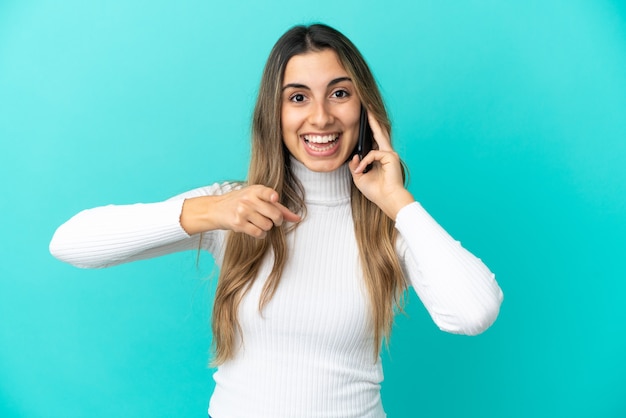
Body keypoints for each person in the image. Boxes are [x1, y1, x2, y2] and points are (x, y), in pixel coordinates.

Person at [50, 23, 503, 418]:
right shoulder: (234, 206)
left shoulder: (388, 223)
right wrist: (208, 212)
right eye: (298, 97)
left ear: (363, 108)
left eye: (340, 94)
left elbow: (474, 311)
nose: (321, 116)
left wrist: (398, 201)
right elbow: (70, 243)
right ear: (275, 113)